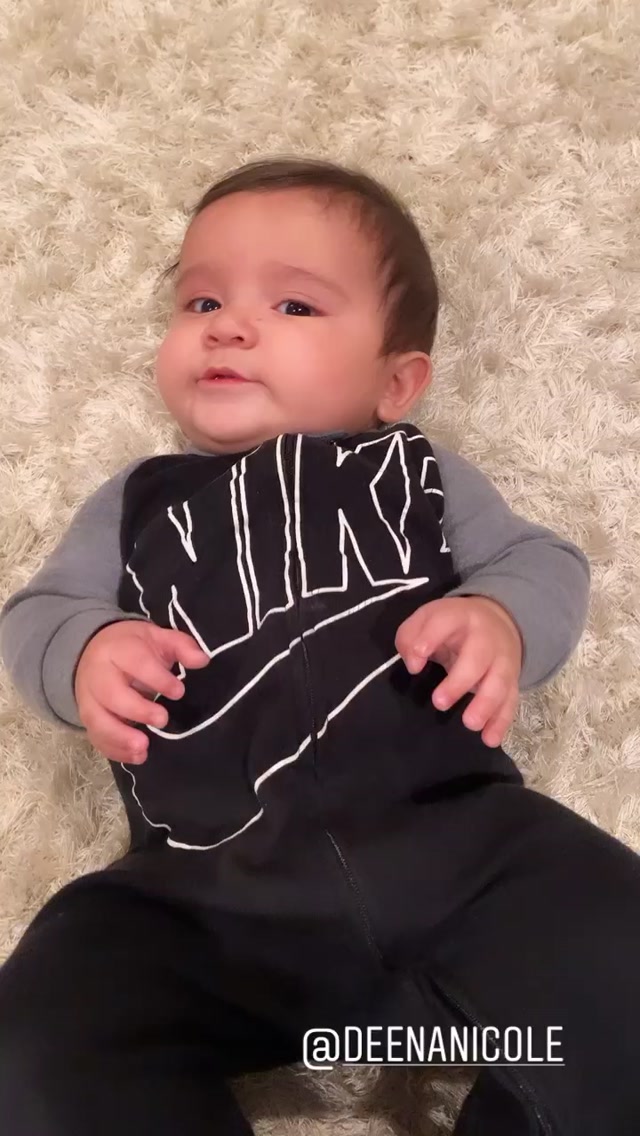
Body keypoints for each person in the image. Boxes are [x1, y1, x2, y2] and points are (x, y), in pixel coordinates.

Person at [0, 156, 638, 1136]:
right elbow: (37, 612)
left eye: (294, 305)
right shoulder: (137, 500)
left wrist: (501, 618)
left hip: (459, 844)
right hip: (209, 887)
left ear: (396, 381)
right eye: (202, 299)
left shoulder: (417, 470)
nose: (229, 325)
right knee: (44, 1026)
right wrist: (85, 649)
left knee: (620, 951)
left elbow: (539, 559)